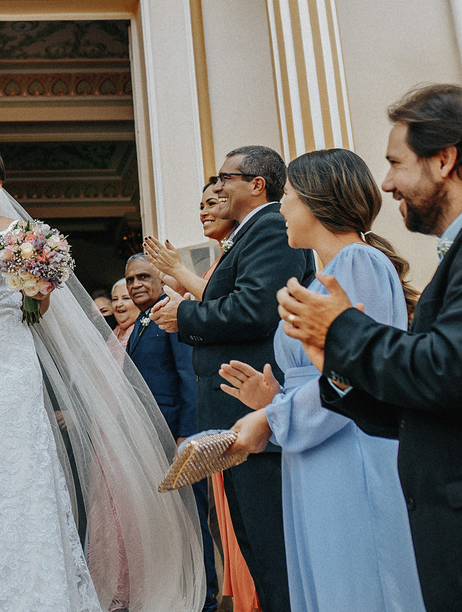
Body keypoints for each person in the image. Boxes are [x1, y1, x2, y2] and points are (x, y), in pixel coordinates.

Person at [0, 132, 204, 612]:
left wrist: (39, 287)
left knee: (10, 480)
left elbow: (39, 304)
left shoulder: (21, 236)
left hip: (5, 371)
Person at [277, 85, 462, 610]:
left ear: (445, 160)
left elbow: (451, 372)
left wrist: (343, 330)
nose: (387, 182)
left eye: (397, 162)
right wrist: (339, 372)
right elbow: (420, 402)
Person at [218, 149, 425, 612]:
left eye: (288, 195)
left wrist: (273, 418)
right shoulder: (322, 276)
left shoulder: (358, 263)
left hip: (348, 446)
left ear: (315, 200)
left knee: (355, 579)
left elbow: (360, 371)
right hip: (314, 444)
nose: (283, 208)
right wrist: (272, 397)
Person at [151, 146, 314, 612]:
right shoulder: (248, 235)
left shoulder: (268, 228)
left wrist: (185, 315)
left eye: (226, 178)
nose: (216, 187)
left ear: (257, 184)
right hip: (236, 411)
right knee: (254, 548)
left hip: (255, 409)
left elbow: (256, 310)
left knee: (272, 549)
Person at [147, 183, 258, 612]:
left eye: (215, 202)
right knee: (227, 523)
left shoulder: (232, 261)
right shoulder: (216, 266)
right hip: (223, 406)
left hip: (238, 402)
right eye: (201, 205)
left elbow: (230, 311)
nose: (206, 211)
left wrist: (182, 277)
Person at [123, 255, 216, 612]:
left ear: (161, 279)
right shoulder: (142, 320)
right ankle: (180, 588)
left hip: (172, 435)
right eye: (130, 279)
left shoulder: (170, 314)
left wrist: (186, 436)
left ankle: (205, 595)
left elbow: (186, 378)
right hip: (148, 436)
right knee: (167, 521)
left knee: (192, 520)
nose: (135, 285)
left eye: (144, 277)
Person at [109, 278, 139, 344]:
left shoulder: (141, 331)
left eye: (126, 298)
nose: (118, 304)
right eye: (115, 299)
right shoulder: (114, 331)